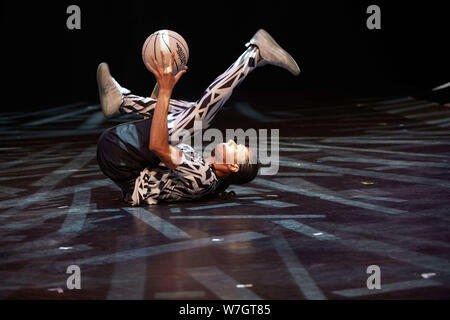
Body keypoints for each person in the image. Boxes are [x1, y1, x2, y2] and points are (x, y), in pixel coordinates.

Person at [96, 29, 300, 206]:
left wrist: (166, 90)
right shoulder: (202, 166)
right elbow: (156, 130)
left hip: (121, 157)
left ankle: (254, 54)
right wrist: (162, 85)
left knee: (199, 117)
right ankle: (122, 101)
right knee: (192, 112)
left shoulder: (201, 176)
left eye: (236, 148)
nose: (231, 141)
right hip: (122, 153)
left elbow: (157, 146)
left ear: (233, 166)